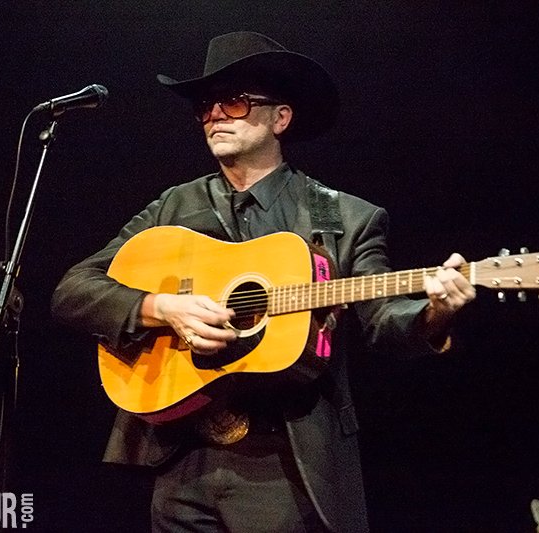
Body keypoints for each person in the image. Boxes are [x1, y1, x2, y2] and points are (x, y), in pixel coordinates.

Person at [51, 31, 476, 533]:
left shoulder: (343, 216)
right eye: (205, 108)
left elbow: (382, 319)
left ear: (280, 118)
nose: (214, 117)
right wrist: (159, 306)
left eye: (232, 103)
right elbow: (74, 289)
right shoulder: (172, 207)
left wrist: (435, 314)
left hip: (287, 465)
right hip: (180, 460)